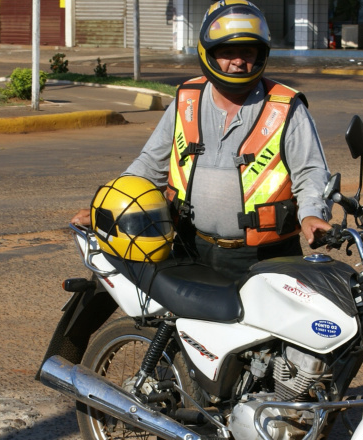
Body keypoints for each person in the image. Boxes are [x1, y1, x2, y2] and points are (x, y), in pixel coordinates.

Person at [72, 0, 331, 279]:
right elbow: (150, 165)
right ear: (207, 53)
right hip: (189, 247)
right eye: (227, 52)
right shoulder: (187, 99)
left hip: (268, 255)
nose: (238, 61)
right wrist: (110, 207)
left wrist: (311, 215)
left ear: (261, 54)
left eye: (247, 51)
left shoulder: (285, 106)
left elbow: (311, 172)